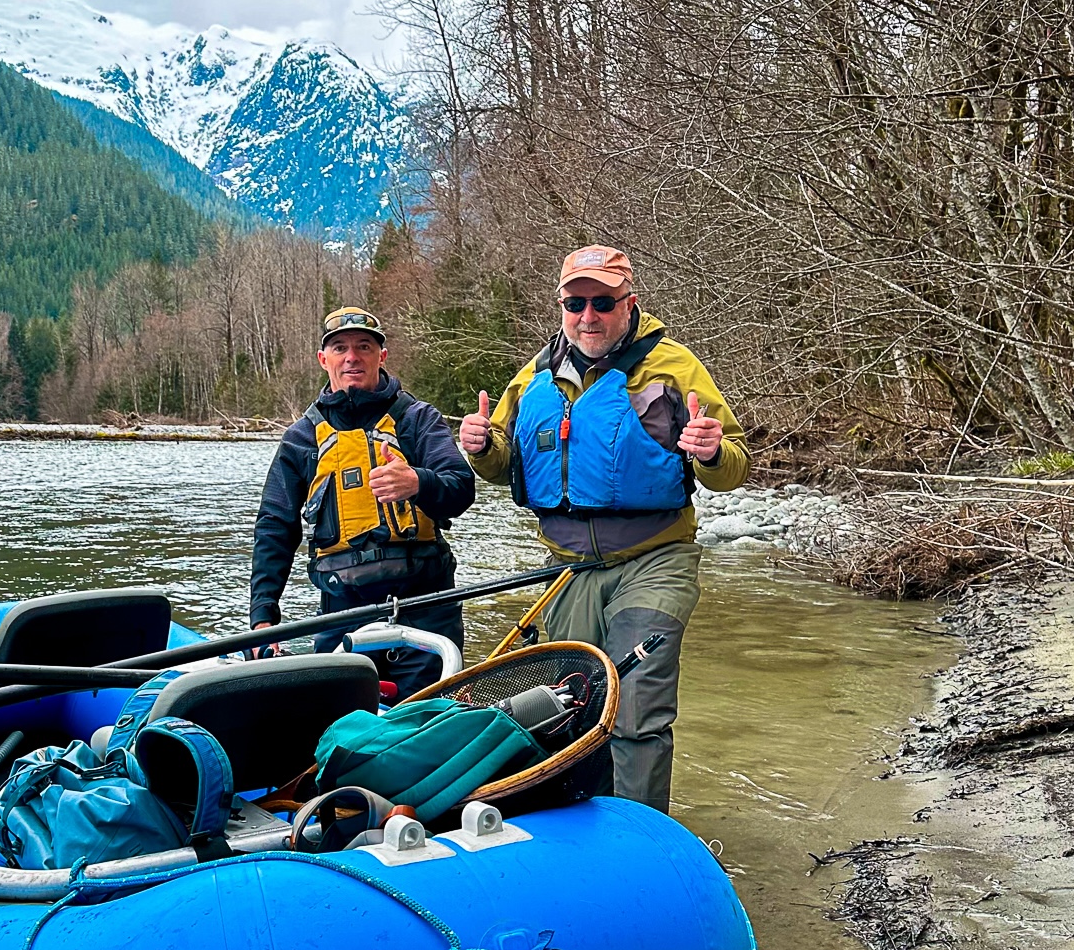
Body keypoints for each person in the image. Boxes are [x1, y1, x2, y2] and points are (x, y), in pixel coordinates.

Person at [457, 246, 747, 811]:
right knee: (570, 705)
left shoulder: (675, 368)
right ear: (561, 306)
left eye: (603, 302)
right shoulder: (533, 378)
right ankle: (581, 831)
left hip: (655, 562)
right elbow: (500, 464)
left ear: (628, 303)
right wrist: (480, 448)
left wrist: (711, 453)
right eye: (575, 303)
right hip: (568, 570)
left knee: (636, 705)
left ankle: (639, 841)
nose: (588, 315)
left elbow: (733, 466)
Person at [250, 307, 477, 698]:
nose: (352, 357)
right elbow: (275, 526)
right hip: (342, 611)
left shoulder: (417, 420)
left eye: (364, 346)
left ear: (381, 356)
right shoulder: (301, 438)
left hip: (426, 608)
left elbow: (460, 489)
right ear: (324, 359)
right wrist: (263, 616)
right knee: (338, 721)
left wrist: (416, 482)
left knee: (423, 721)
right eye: (340, 348)